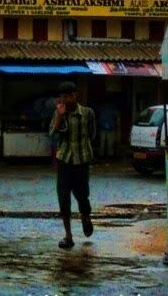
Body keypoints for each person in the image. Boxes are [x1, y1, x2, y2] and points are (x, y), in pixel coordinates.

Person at [49, 81, 96, 249]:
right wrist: (60, 116)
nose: (65, 100)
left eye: (68, 96)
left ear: (74, 96)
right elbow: (52, 134)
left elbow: (92, 134)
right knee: (63, 198)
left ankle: (85, 217)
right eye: (62, 97)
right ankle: (68, 235)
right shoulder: (59, 113)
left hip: (82, 160)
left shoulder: (87, 113)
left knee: (82, 195)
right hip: (64, 160)